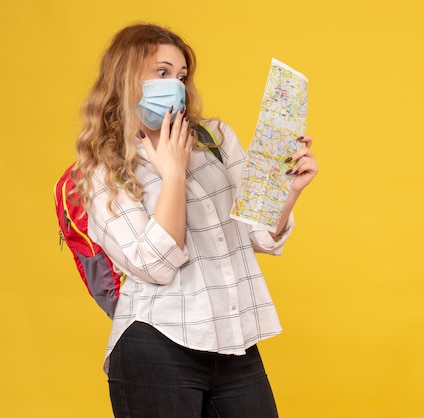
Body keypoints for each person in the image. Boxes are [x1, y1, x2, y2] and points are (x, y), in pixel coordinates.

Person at [73, 23, 318, 418]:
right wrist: (172, 173)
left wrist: (289, 190)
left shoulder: (215, 139)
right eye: (162, 73)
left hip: (233, 341)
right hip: (156, 344)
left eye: (182, 76)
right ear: (125, 77)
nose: (176, 85)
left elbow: (262, 234)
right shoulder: (105, 171)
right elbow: (156, 265)